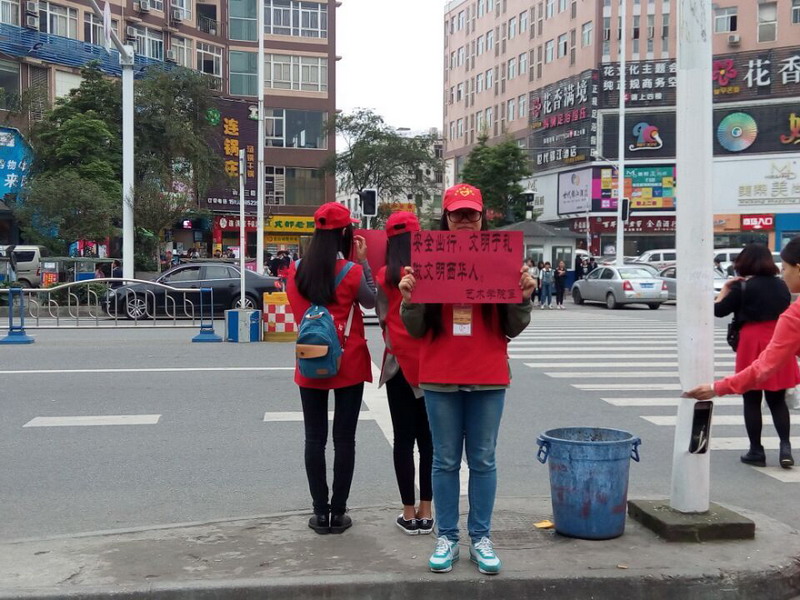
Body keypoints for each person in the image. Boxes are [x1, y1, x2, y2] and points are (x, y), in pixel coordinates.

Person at [399, 183, 535, 576]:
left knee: (483, 460)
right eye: (456, 213)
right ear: (445, 217)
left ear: (482, 216)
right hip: (440, 375)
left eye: (470, 213)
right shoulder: (426, 263)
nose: (463, 220)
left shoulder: (501, 262)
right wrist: (410, 299)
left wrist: (523, 296)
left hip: (488, 376)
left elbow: (512, 327)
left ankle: (480, 538)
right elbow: (415, 329)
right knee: (443, 461)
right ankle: (446, 537)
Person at [286, 202, 377, 535]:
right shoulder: (351, 271)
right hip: (348, 361)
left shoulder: (296, 271)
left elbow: (298, 311)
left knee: (314, 439)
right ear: (345, 234)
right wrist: (363, 262)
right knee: (344, 439)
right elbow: (370, 301)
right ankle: (338, 514)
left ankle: (319, 513)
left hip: (311, 357)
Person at [685, 241, 800, 469]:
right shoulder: (781, 287)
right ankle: (785, 447)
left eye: (786, 267)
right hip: (781, 339)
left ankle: (756, 450)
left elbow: (718, 311)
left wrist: (724, 291)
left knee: (751, 399)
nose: (783, 272)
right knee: (777, 401)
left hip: (754, 343)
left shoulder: (742, 287)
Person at [375, 211, 434, 536]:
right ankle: (427, 511)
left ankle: (408, 513)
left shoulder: (385, 276)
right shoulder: (432, 272)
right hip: (429, 365)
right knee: (429, 442)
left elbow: (383, 318)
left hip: (397, 365)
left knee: (403, 441)